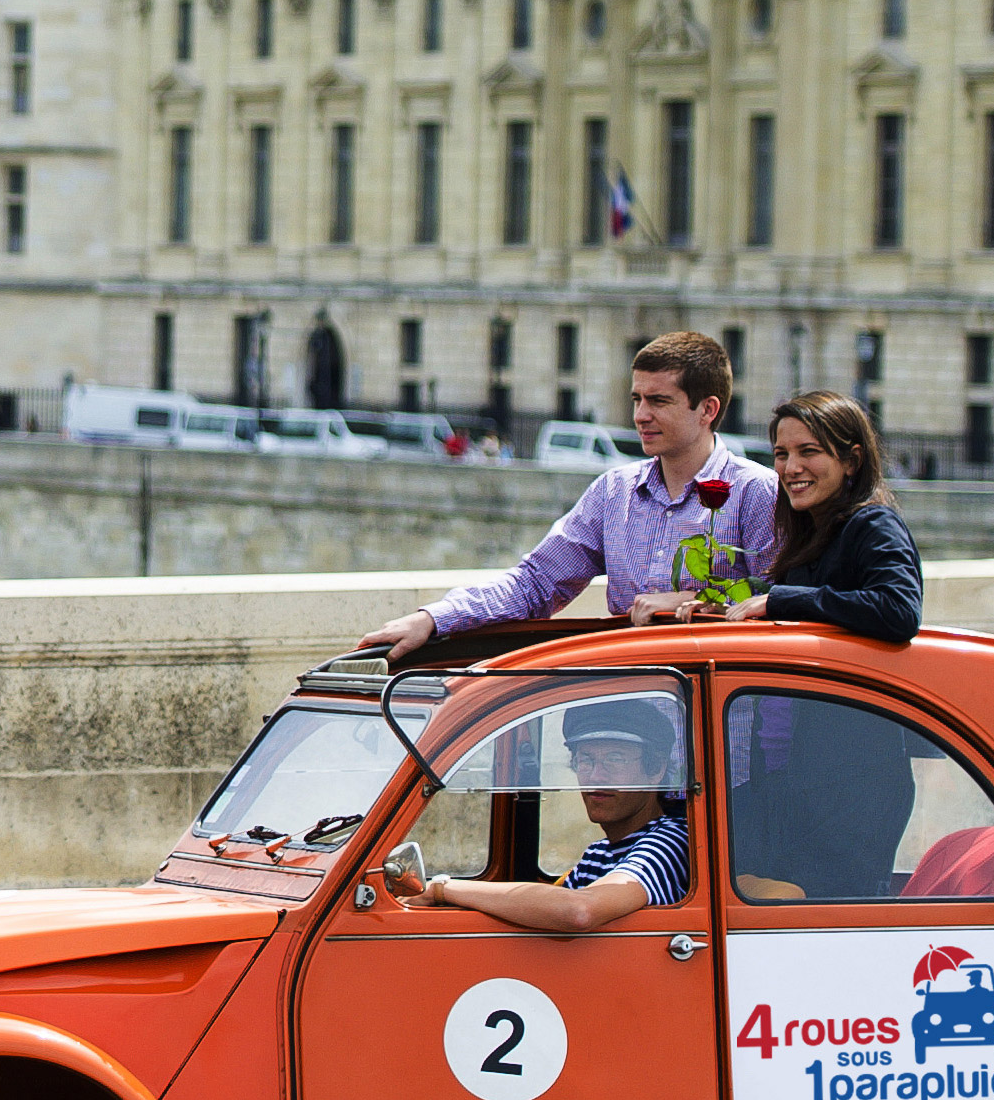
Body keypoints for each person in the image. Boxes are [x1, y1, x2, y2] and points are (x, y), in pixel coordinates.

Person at [367, 330, 777, 659]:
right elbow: (536, 583)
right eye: (636, 399)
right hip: (631, 701)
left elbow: (778, 604)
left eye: (659, 401)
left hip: (721, 713)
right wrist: (433, 619)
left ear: (707, 410)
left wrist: (697, 602)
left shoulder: (754, 491)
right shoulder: (614, 492)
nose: (640, 415)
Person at [390, 699, 690, 929]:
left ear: (656, 770)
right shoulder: (599, 853)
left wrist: (442, 889)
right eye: (585, 760)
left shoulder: (669, 841)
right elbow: (553, 904)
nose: (596, 776)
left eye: (615, 759)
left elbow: (578, 911)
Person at [708, 390, 922, 643]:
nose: (791, 468)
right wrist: (726, 611)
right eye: (781, 454)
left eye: (808, 451)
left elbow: (899, 610)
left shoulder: (874, 524)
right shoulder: (807, 531)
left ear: (852, 461)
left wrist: (784, 599)